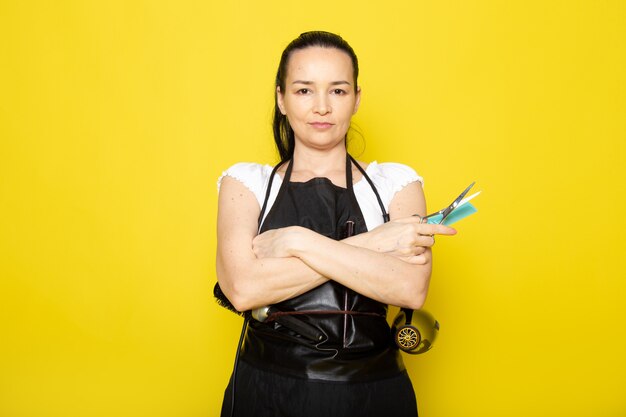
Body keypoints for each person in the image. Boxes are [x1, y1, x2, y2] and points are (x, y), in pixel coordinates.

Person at [216, 31, 456, 417]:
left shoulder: (397, 183)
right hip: (267, 393)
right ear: (281, 98)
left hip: (374, 396)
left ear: (357, 99)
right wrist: (376, 242)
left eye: (339, 91)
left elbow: (410, 289)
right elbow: (243, 290)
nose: (322, 107)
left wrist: (296, 241)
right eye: (304, 91)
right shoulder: (246, 183)